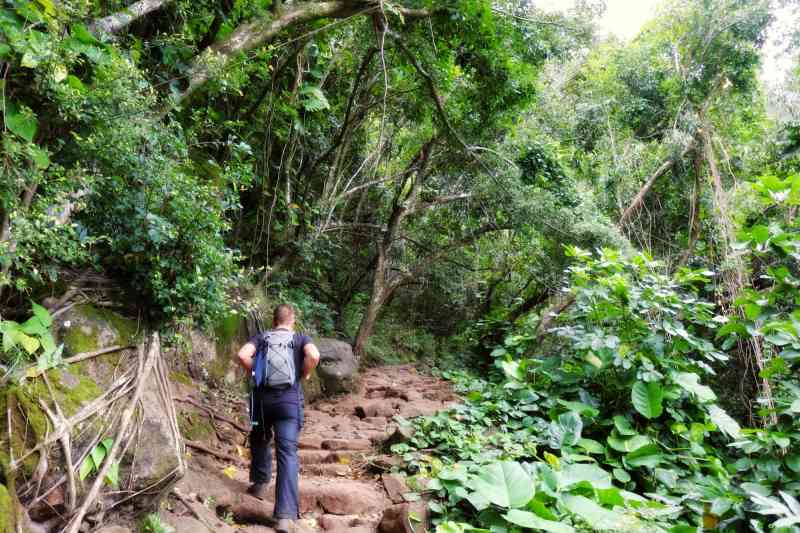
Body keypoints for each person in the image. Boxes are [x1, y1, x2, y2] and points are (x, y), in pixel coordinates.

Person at [236, 303, 320, 533]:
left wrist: (255, 373)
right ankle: (284, 515)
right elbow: (314, 355)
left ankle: (259, 483)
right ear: (292, 320)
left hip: (260, 403)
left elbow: (243, 355)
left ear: (274, 321)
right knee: (287, 452)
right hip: (288, 403)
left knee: (258, 436)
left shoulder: (262, 337)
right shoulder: (301, 338)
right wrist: (305, 372)